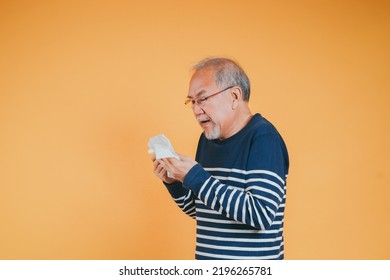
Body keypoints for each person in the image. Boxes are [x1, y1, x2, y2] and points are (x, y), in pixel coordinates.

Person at [152, 57, 289, 260]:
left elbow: (261, 214)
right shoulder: (207, 140)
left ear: (234, 96)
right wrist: (174, 182)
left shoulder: (263, 138)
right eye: (192, 102)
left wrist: (195, 176)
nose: (196, 110)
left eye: (203, 99)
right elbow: (204, 211)